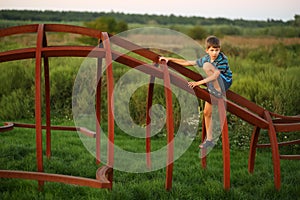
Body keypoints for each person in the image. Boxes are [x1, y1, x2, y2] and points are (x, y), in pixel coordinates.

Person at [159, 35, 232, 148]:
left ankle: (217, 92)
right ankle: (209, 139)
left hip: (223, 82)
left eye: (217, 50)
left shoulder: (222, 59)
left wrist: (198, 83)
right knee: (207, 113)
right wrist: (170, 59)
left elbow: (216, 74)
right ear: (207, 50)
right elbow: (188, 62)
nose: (214, 53)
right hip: (213, 85)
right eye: (212, 50)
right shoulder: (206, 58)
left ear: (220, 49)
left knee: (207, 66)